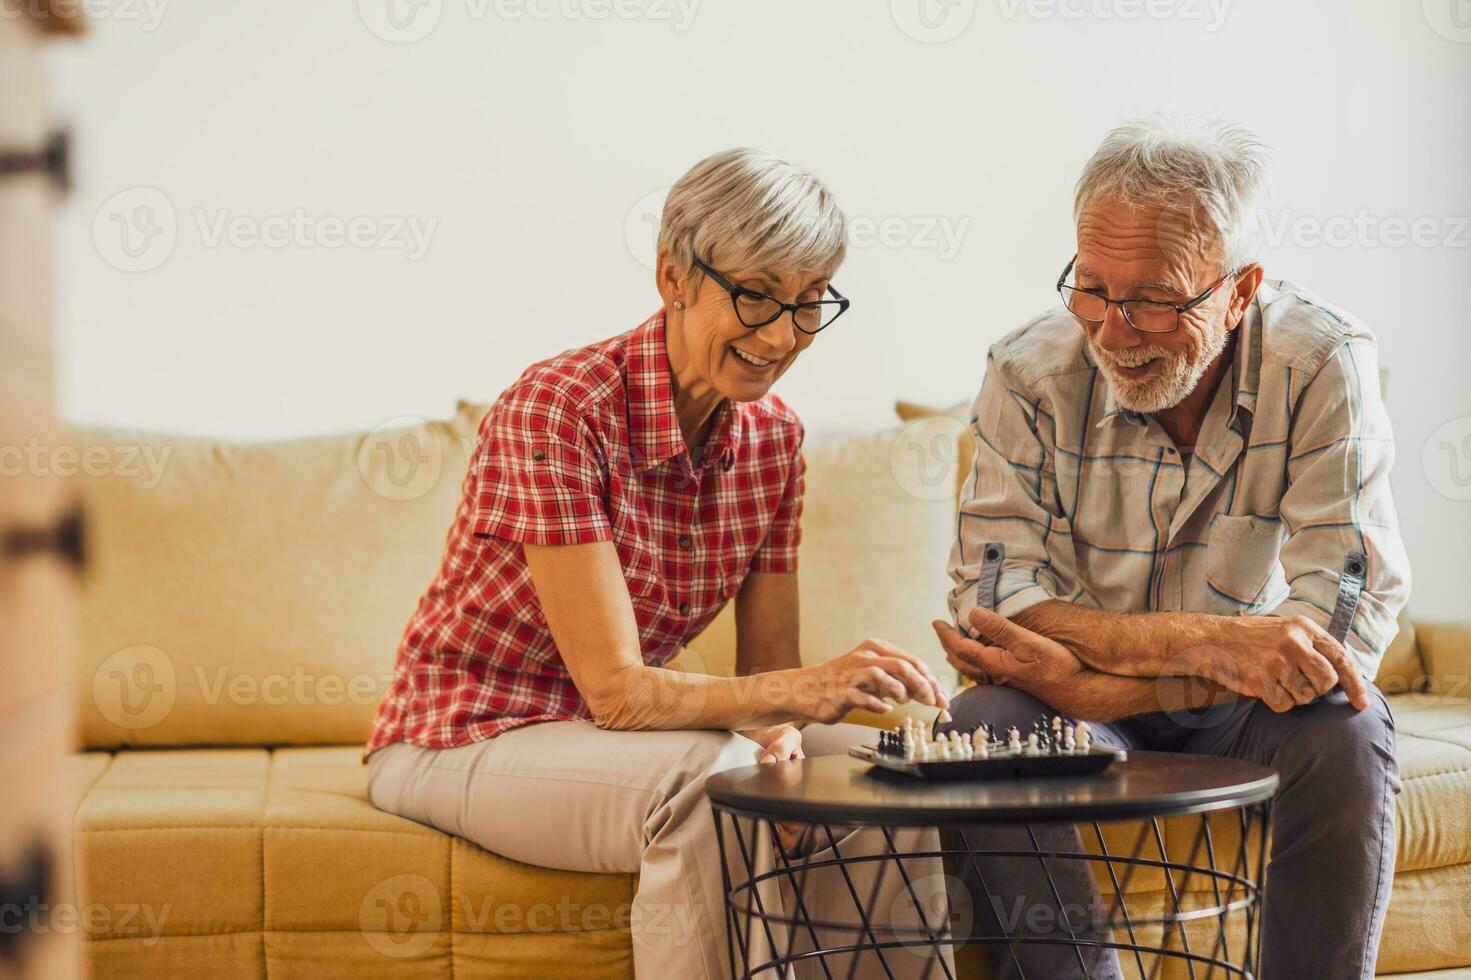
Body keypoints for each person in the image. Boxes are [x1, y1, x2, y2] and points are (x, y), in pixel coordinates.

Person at [364, 147, 955, 979]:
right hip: (463, 736)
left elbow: (765, 675)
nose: (781, 335)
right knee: (713, 781)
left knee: (878, 776)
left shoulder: (774, 440)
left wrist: (783, 734)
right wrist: (790, 703)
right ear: (672, 277)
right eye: (755, 294)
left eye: (809, 303)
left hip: (621, 739)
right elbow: (614, 691)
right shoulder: (560, 409)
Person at [933, 115, 1408, 979]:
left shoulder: (1323, 360)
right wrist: (1211, 646)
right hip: (1097, 702)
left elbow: (1332, 635)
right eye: (1090, 288)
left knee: (1345, 723)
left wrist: (1091, 673)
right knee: (983, 725)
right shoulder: (1025, 371)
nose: (1114, 331)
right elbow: (993, 613)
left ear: (1239, 289)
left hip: (1245, 708)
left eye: (1155, 298)